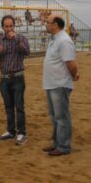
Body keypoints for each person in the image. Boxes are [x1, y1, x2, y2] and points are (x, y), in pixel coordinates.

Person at [43, 15, 79, 156]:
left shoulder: (64, 41)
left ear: (56, 25)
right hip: (52, 83)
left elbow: (70, 62)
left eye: (48, 22)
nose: (46, 24)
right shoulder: (55, 39)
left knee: (61, 116)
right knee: (54, 116)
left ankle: (63, 146)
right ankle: (57, 142)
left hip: (60, 84)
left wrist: (74, 74)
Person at [0, 15, 30, 145]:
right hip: (4, 79)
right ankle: (10, 131)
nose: (9, 29)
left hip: (18, 77)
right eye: (6, 26)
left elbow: (26, 52)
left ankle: (22, 133)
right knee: (8, 107)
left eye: (11, 26)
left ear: (14, 26)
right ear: (2, 27)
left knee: (19, 106)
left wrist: (17, 41)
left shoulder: (21, 38)